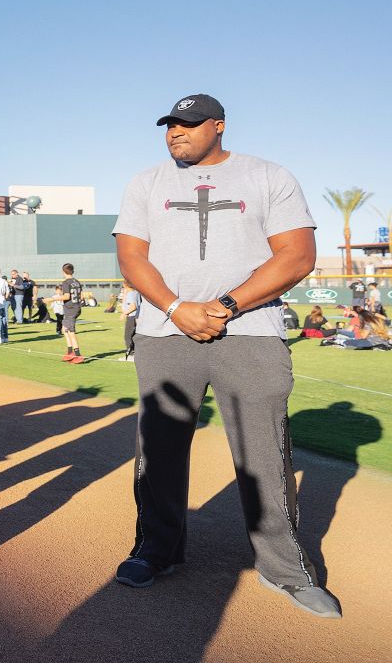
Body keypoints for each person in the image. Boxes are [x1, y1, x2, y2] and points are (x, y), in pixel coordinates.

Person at [111, 93, 340, 617]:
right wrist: (176, 307)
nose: (176, 133)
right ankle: (157, 550)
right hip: (165, 332)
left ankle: (285, 569)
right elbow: (130, 256)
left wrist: (224, 306)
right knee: (159, 451)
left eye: (189, 124)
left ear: (219, 126)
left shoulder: (267, 176)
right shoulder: (145, 183)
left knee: (265, 453)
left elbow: (298, 254)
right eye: (170, 125)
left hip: (251, 332)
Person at [44, 263, 85, 363]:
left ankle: (78, 355)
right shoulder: (77, 282)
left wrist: (51, 299)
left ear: (63, 272)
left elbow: (67, 296)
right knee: (64, 328)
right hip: (76, 307)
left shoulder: (66, 283)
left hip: (71, 309)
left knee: (71, 331)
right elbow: (81, 296)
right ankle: (70, 351)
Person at [118, 281, 140, 361]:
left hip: (132, 316)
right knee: (133, 336)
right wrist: (125, 293)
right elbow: (124, 306)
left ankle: (131, 355)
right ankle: (133, 354)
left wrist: (124, 314)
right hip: (135, 316)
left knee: (128, 336)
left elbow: (133, 306)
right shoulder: (134, 292)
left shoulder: (131, 294)